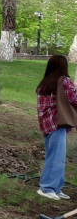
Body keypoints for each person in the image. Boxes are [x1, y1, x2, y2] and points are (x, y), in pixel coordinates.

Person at [35, 54, 77, 201]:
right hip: (58, 123)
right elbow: (74, 99)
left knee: (54, 155)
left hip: (46, 124)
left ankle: (56, 187)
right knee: (56, 157)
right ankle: (47, 188)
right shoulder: (65, 81)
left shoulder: (44, 83)